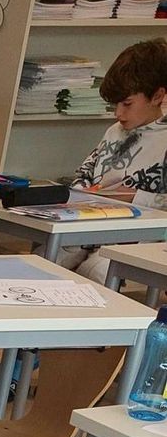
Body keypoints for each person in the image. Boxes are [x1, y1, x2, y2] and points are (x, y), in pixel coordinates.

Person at [66, 38, 167, 280]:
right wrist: (83, 191)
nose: (118, 113)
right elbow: (84, 174)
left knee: (98, 272)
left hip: (138, 237)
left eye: (127, 104)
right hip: (91, 225)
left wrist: (134, 196)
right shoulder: (115, 131)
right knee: (45, 259)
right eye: (115, 104)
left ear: (157, 96)